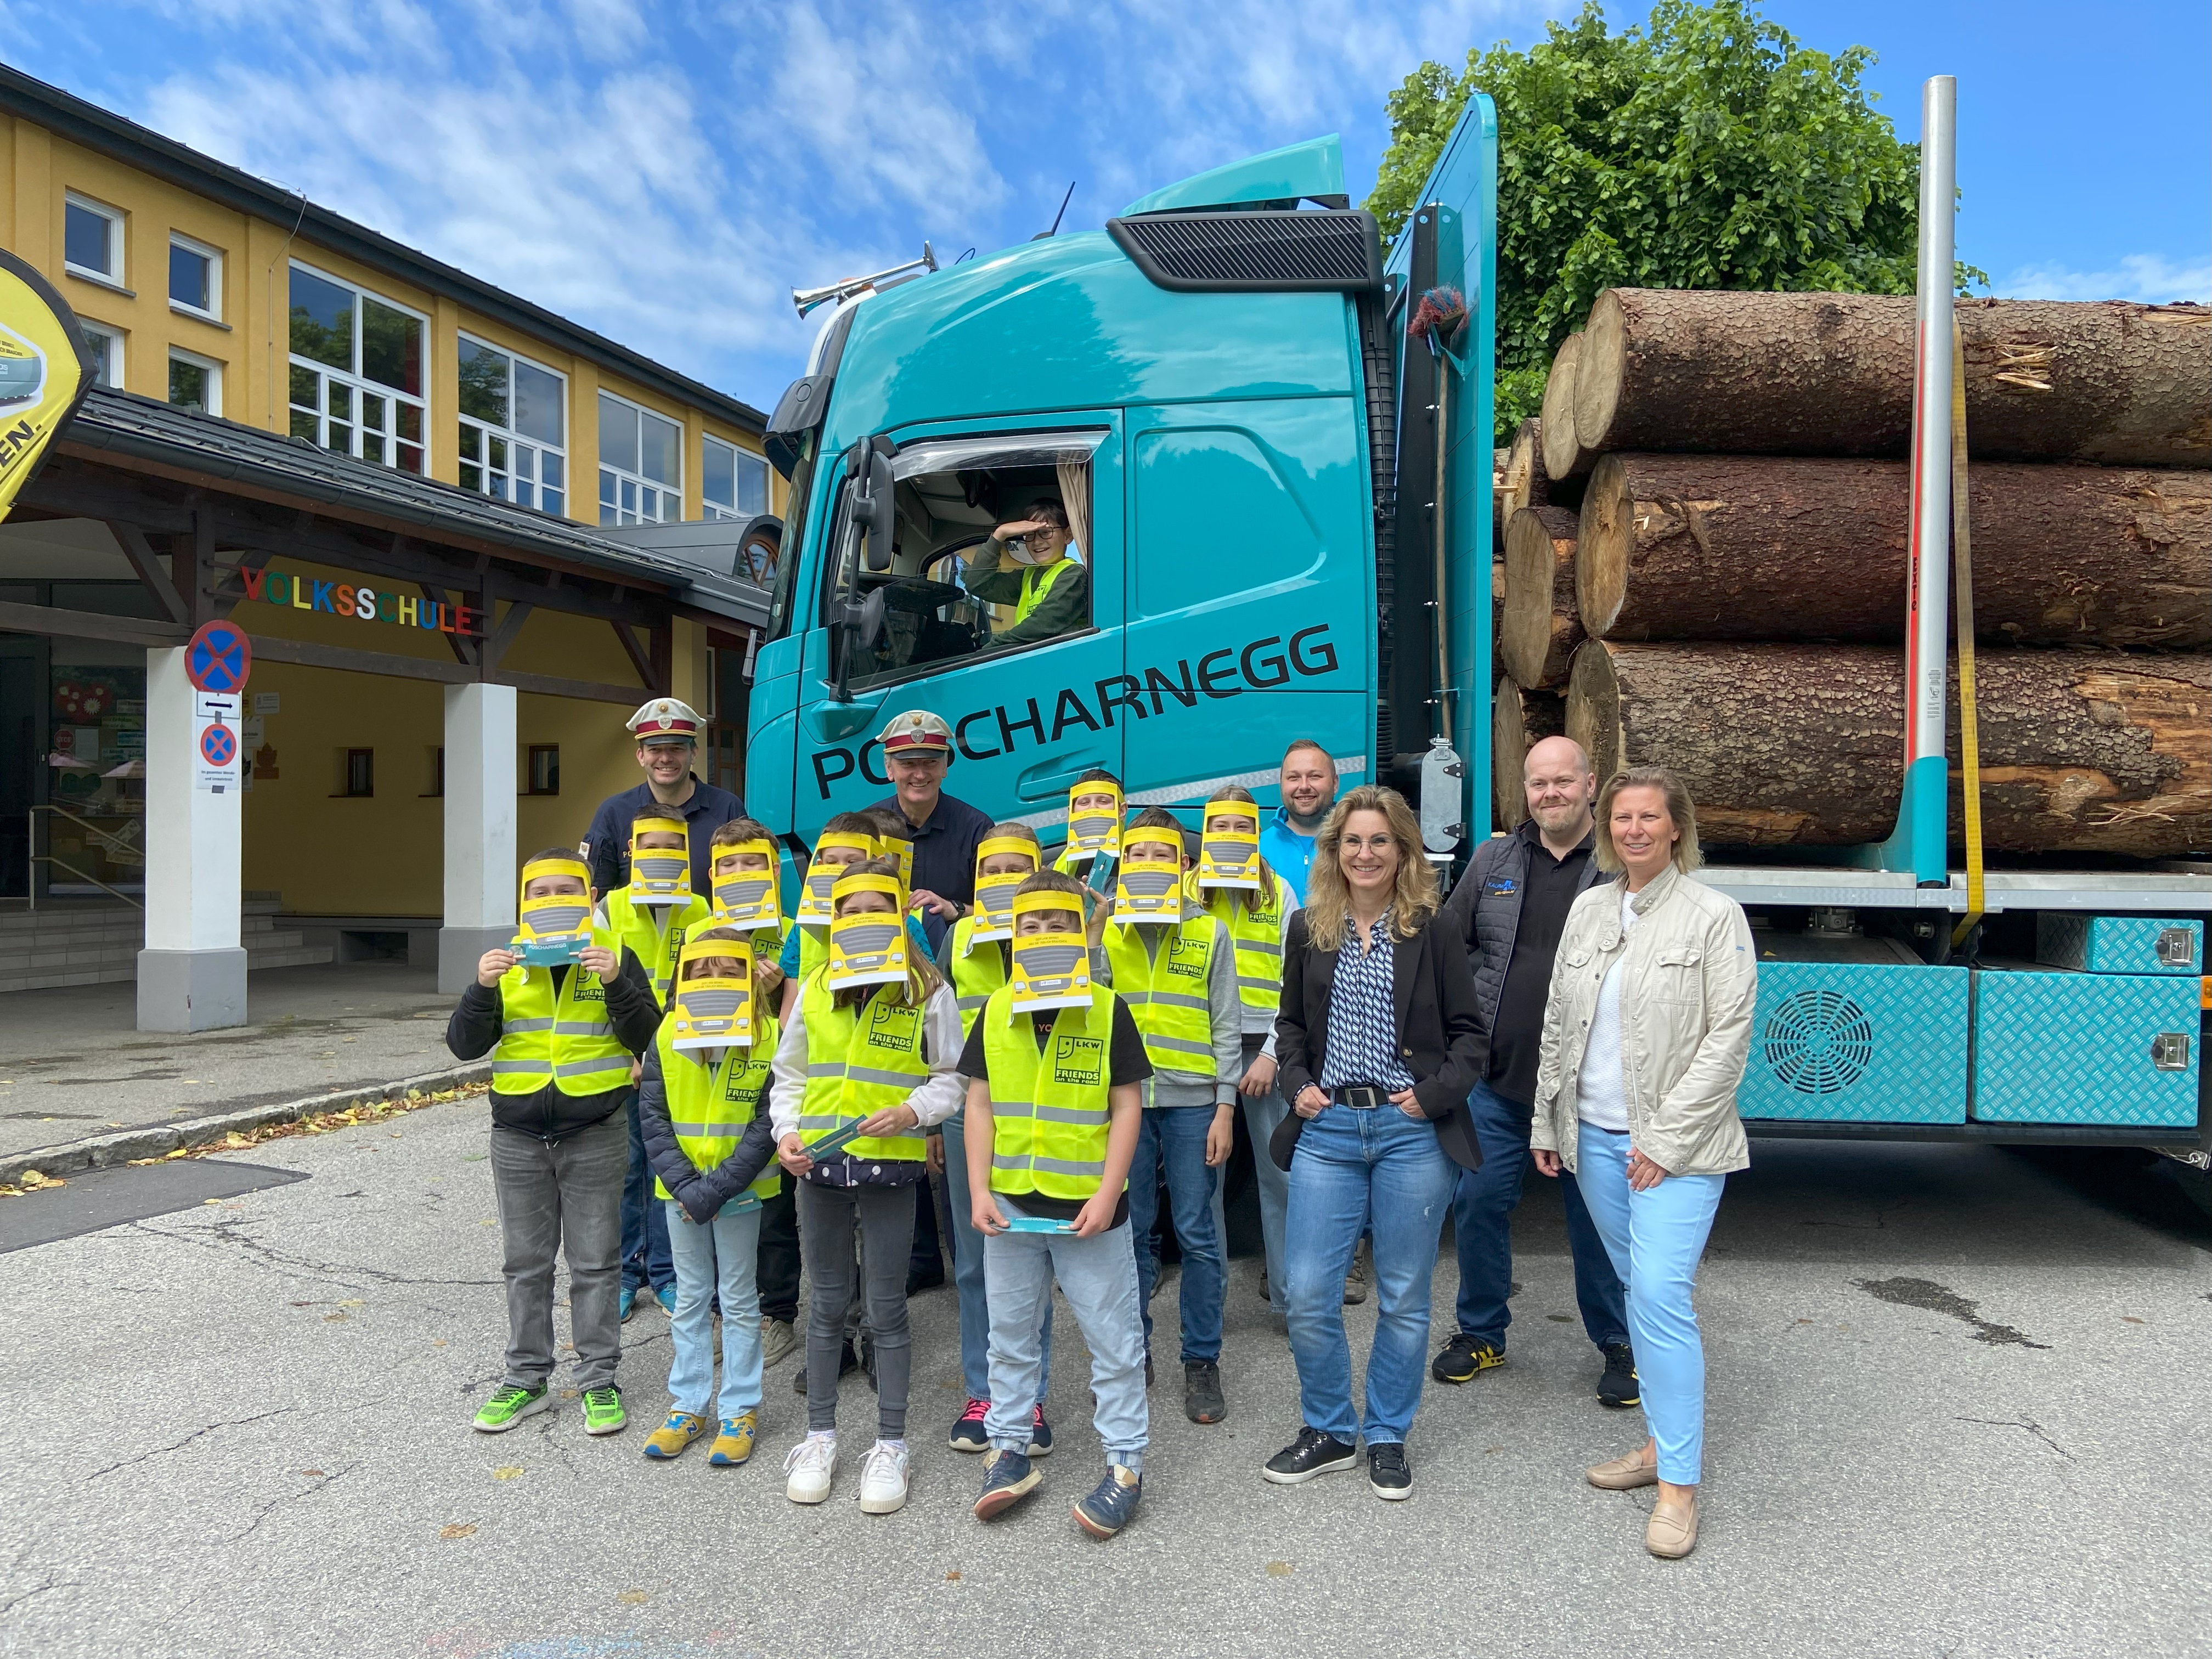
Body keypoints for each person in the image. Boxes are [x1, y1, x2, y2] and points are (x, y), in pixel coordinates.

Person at [1531, 765, 1754, 1560]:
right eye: (1621, 818)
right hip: (1591, 1137)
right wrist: (1547, 1120)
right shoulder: (1591, 908)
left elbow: (1729, 1040)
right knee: (1635, 1290)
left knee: (1660, 1295)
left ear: (1674, 829)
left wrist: (1661, 1142)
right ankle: (1659, 1447)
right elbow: (1560, 1019)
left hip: (1676, 1150)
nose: (1632, 830)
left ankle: (1678, 1490)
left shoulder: (1713, 916)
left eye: (1647, 819)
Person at [1262, 786, 1485, 1502]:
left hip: (1408, 1131)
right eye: (1353, 841)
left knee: (1402, 1294)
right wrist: (1296, 1082)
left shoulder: (1434, 928)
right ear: (1335, 851)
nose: (1365, 853)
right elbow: (1290, 1023)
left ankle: (1387, 1434)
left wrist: (1434, 1096)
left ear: (1403, 851)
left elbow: (1470, 1037)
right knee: (1306, 1292)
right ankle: (1328, 1429)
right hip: (1327, 1129)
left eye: (1380, 841)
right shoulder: (1308, 926)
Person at [1432, 737, 1635, 1404]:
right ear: (1526, 791)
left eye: (1563, 782)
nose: (1551, 794)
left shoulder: (1618, 868)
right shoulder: (1493, 859)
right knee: (1479, 1204)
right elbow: (1449, 946)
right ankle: (1483, 1332)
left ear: (1590, 784)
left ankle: (1620, 1344)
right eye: (1539, 784)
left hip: (1587, 1089)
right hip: (1499, 1080)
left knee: (1597, 1219)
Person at [963, 871, 1153, 1538]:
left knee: (1113, 1340)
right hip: (1011, 1208)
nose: (1044, 936)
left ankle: (1124, 1464)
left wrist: (1107, 1193)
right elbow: (980, 1103)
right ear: (1013, 936)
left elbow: (1127, 1105)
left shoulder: (1107, 1008)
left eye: (1058, 924)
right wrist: (980, 1188)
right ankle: (1009, 1450)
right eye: (1031, 925)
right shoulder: (993, 1009)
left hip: (1090, 1213)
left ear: (1082, 932)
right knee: (1011, 1337)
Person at [771, 859, 964, 1514]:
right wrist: (784, 1134)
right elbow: (790, 1073)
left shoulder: (928, 988)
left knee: (886, 1308)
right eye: (848, 910)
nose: (860, 920)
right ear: (835, 918)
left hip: (890, 1169)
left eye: (874, 908)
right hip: (817, 1168)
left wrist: (915, 1113)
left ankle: (891, 1444)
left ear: (898, 916)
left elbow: (950, 1076)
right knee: (826, 1305)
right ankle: (819, 1436)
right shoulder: (819, 983)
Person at [447, 849, 661, 1438]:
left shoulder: (616, 956)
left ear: (590, 896)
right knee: (525, 1265)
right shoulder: (508, 963)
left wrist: (615, 980)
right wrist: (481, 988)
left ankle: (598, 1381)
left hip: (595, 1129)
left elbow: (649, 1036)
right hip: (517, 1135)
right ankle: (527, 1379)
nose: (551, 900)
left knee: (595, 1263)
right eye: (539, 892)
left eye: (566, 889)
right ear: (525, 900)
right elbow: (464, 1046)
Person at [1099, 807, 1240, 1423]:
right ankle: (1134, 1349)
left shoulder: (1209, 931)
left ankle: (1201, 1359)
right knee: (1130, 1233)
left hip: (1193, 1105)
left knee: (1198, 1234)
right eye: (1137, 855)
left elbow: (1228, 1025)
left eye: (1162, 855)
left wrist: (1225, 1108)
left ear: (1184, 865)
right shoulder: (1105, 930)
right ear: (1122, 863)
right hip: (1126, 1106)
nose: (1149, 865)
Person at [634, 928, 780, 1467]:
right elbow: (652, 1117)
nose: (713, 978)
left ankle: (740, 1409)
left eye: (726, 967)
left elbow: (769, 1122)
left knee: (739, 1301)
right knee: (692, 1299)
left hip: (738, 1193)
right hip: (681, 1194)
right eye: (700, 969)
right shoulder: (668, 1033)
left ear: (747, 976)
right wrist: (690, 1189)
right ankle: (689, 1406)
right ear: (682, 979)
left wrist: (717, 1188)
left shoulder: (768, 1034)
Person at [936, 823, 1056, 1456]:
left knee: (1034, 1260)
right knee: (976, 1256)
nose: (1003, 882)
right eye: (992, 871)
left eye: (1018, 869)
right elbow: (940, 1033)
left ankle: (1029, 1398)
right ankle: (984, 1391)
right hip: (970, 1110)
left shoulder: (1061, 932)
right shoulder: (956, 936)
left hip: (1046, 1112)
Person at [1184, 787, 1299, 1323]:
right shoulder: (1182, 891)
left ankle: (1288, 1302)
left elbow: (1292, 985)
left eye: (1241, 828)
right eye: (1220, 828)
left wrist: (1273, 1054)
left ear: (1255, 834)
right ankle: (1211, 1309)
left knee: (1279, 1178)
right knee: (1205, 1182)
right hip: (1202, 1049)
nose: (1230, 838)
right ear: (1206, 833)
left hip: (1263, 1051)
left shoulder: (1277, 892)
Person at [688, 820, 799, 1373]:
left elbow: (807, 1010)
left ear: (772, 870)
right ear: (712, 874)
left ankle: (777, 1313)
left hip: (773, 1077)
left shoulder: (790, 930)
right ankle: (720, 1311)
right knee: (716, 1203)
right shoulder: (698, 933)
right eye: (728, 864)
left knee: (773, 1206)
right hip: (711, 1090)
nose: (739, 873)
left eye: (751, 862)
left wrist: (779, 986)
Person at [604, 813, 710, 1323]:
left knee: (667, 1170)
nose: (663, 854)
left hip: (682, 1058)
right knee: (629, 1171)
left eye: (674, 846)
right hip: (630, 1057)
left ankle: (666, 1275)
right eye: (652, 845)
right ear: (632, 850)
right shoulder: (611, 907)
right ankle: (627, 1273)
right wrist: (633, 1055)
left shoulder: (700, 908)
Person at [582, 698, 744, 900]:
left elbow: (746, 884)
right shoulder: (614, 812)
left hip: (709, 931)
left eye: (676, 749)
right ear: (641, 756)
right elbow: (594, 897)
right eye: (655, 749)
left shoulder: (727, 808)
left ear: (693, 754)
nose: (665, 758)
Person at [868, 709, 994, 955]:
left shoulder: (977, 828)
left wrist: (953, 909)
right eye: (908, 764)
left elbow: (1001, 912)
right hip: (878, 955)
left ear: (945, 767)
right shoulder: (867, 828)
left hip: (957, 959)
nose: (920, 774)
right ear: (889, 768)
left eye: (930, 763)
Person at [960, 498, 1089, 652]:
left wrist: (988, 651)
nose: (1036, 542)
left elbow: (1042, 624)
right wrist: (999, 535)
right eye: (1029, 535)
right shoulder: (1028, 576)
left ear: (1068, 535)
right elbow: (977, 585)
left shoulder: (1074, 574)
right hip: (1029, 659)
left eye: (1046, 533)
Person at [1257, 739, 1338, 901]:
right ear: (1281, 785)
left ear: (1335, 784)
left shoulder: (1356, 847)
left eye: (1314, 776)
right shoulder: (1257, 848)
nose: (1304, 786)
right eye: (1294, 777)